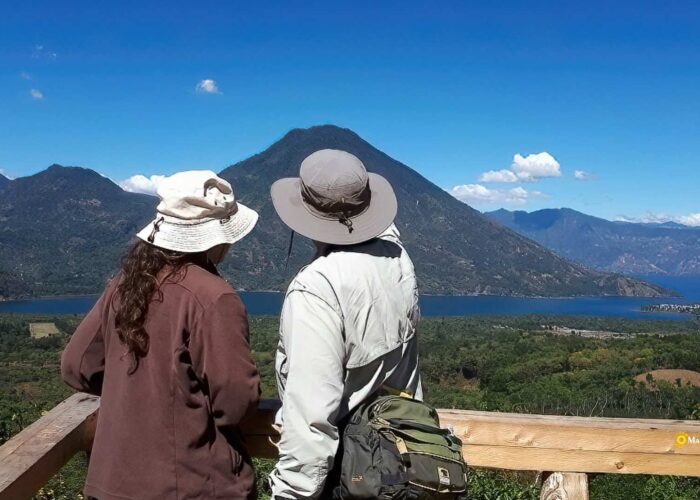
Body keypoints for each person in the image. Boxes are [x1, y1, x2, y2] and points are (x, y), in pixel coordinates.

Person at [61, 170, 261, 500]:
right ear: (216, 236)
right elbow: (235, 403)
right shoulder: (214, 296)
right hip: (194, 485)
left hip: (112, 481)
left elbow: (77, 365)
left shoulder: (126, 283)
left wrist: (136, 396)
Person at [268, 149, 422, 498]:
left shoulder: (317, 287)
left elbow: (311, 417)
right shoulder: (398, 260)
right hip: (400, 465)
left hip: (346, 478)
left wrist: (290, 493)